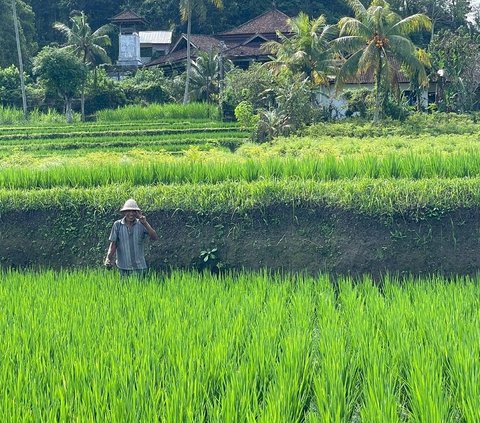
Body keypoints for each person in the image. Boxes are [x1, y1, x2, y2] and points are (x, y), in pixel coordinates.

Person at [104, 199, 158, 278]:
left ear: (137, 213)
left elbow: (154, 237)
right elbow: (113, 244)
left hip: (139, 268)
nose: (131, 214)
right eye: (128, 211)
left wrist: (145, 223)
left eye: (134, 211)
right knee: (124, 290)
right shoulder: (117, 225)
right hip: (123, 268)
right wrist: (108, 258)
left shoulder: (141, 224)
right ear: (124, 212)